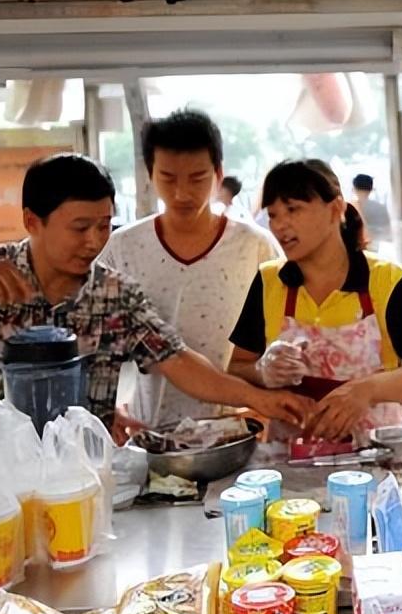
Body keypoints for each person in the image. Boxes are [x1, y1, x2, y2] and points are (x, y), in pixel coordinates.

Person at [0, 153, 312, 433]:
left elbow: (181, 363)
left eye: (103, 226)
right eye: (80, 228)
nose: (95, 241)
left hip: (79, 478)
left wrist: (261, 399)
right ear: (32, 221)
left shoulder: (114, 296)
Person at [227, 159, 402, 443]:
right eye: (273, 214)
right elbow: (236, 367)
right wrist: (262, 371)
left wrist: (366, 390)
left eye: (293, 209)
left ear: (335, 208)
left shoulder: (383, 279)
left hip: (377, 456)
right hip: (294, 461)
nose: (280, 225)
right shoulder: (270, 281)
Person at [100, 110, 280, 429]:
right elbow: (96, 342)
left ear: (219, 174)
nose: (182, 193)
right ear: (150, 174)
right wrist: (103, 407)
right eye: (168, 178)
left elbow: (284, 335)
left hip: (240, 428)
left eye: (197, 179)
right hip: (151, 431)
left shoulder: (255, 247)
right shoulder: (122, 247)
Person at [351, 173, 392, 243]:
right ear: (371, 189)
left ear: (354, 189)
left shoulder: (350, 208)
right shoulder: (381, 208)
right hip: (380, 246)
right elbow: (389, 232)